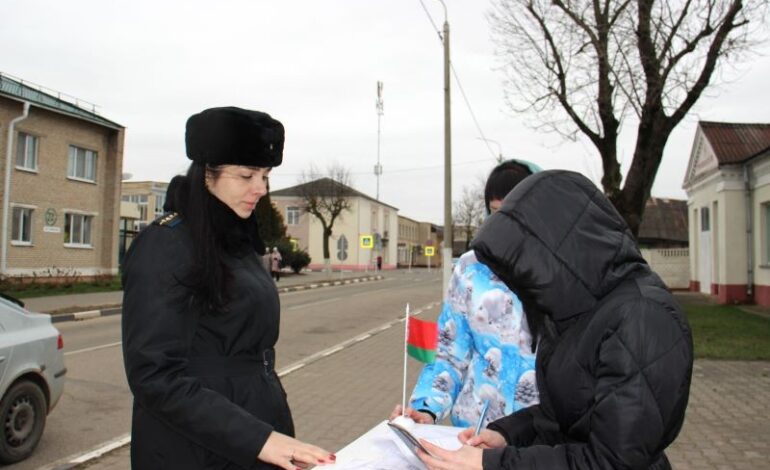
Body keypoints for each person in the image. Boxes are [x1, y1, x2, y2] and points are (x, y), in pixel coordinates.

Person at [416, 170, 693, 470]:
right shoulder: (579, 306)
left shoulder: (642, 317)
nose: (523, 283)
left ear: (553, 244)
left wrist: (494, 464)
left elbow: (613, 461)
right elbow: (559, 416)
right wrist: (506, 435)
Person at [121, 107, 334, 470]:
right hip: (194, 449)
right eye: (247, 175)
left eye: (265, 176)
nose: (260, 189)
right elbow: (155, 376)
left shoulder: (236, 241)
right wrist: (259, 439)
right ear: (208, 172)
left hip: (254, 435)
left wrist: (268, 431)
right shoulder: (167, 244)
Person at [391, 159, 541, 429]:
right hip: (473, 433)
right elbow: (449, 353)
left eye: (514, 212)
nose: (505, 223)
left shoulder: (562, 272)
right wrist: (426, 408)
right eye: (496, 212)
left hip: (540, 437)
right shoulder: (471, 268)